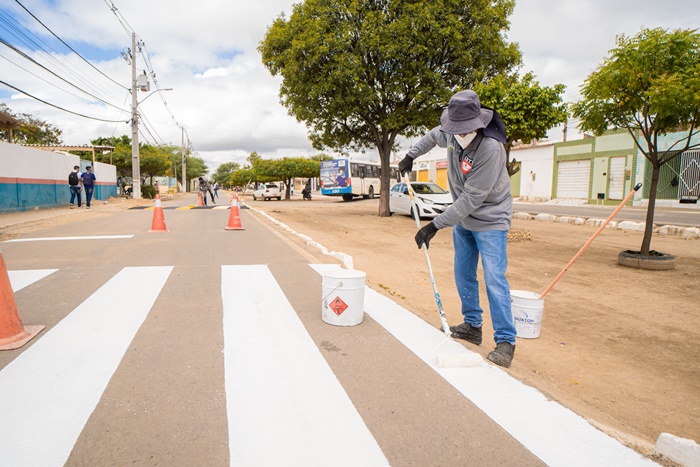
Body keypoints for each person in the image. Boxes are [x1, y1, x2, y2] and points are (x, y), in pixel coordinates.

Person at [398, 89, 517, 368]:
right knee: (463, 272)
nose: (459, 135)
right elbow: (431, 136)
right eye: (456, 130)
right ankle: (472, 326)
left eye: (465, 130)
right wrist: (410, 156)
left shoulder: (490, 149)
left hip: (491, 220)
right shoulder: (451, 134)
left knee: (494, 279)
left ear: (478, 123)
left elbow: (471, 199)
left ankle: (506, 340)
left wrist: (434, 226)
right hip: (464, 220)